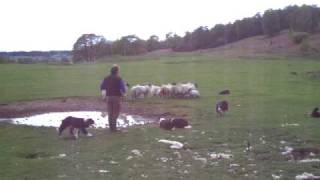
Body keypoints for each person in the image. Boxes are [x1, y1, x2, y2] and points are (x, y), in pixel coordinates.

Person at [100, 64, 127, 132]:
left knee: (110, 112)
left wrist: (104, 95)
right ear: (117, 71)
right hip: (116, 97)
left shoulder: (106, 78)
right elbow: (123, 88)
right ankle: (114, 128)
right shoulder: (119, 78)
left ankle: (111, 128)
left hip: (108, 97)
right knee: (115, 112)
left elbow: (102, 87)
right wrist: (124, 93)